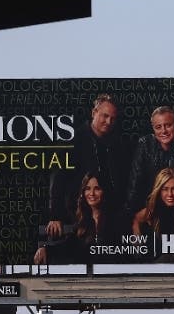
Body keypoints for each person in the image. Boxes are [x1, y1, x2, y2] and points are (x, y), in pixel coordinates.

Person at [45, 94, 131, 240]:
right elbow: (58, 179)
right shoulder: (73, 140)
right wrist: (55, 216)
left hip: (106, 216)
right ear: (94, 113)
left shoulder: (116, 144)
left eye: (113, 118)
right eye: (105, 116)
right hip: (75, 215)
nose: (109, 121)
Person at [34, 173, 122, 264]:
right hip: (87, 275)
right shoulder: (83, 221)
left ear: (104, 191)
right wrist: (45, 249)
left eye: (97, 189)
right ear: (83, 193)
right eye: (87, 189)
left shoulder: (116, 220)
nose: (91, 193)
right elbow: (69, 246)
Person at [132, 167, 174, 237]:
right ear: (159, 191)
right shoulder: (152, 210)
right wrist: (137, 237)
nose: (170, 194)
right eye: (165, 189)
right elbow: (136, 219)